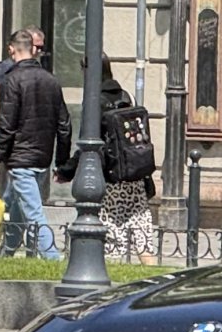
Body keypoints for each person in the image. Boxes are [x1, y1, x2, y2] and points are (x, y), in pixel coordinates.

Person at [57, 60, 158, 262]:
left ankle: (111, 275)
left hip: (110, 178)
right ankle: (152, 272)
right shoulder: (125, 95)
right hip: (133, 174)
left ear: (88, 70)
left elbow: (91, 144)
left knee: (112, 233)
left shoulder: (95, 100)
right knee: (141, 231)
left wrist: (66, 170)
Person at [0, 29, 71, 259]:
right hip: (42, 157)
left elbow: (7, 126)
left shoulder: (11, 80)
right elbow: (64, 125)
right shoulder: (51, 80)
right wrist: (61, 163)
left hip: (20, 158)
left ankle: (53, 258)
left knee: (32, 211)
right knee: (17, 206)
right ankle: (7, 253)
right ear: (33, 49)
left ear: (11, 49)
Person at [0, 26, 44, 144]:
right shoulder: (7, 67)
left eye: (41, 47)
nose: (38, 51)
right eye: (36, 46)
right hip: (12, 129)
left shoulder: (38, 69)